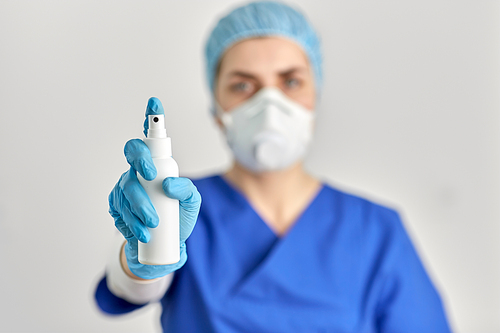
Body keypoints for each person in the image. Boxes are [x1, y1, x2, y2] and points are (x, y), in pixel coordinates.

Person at [94, 1, 452, 332]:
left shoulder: (374, 230)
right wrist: (142, 254)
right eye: (243, 85)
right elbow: (130, 287)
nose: (270, 104)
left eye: (291, 81)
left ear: (315, 95)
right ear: (217, 109)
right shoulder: (176, 205)